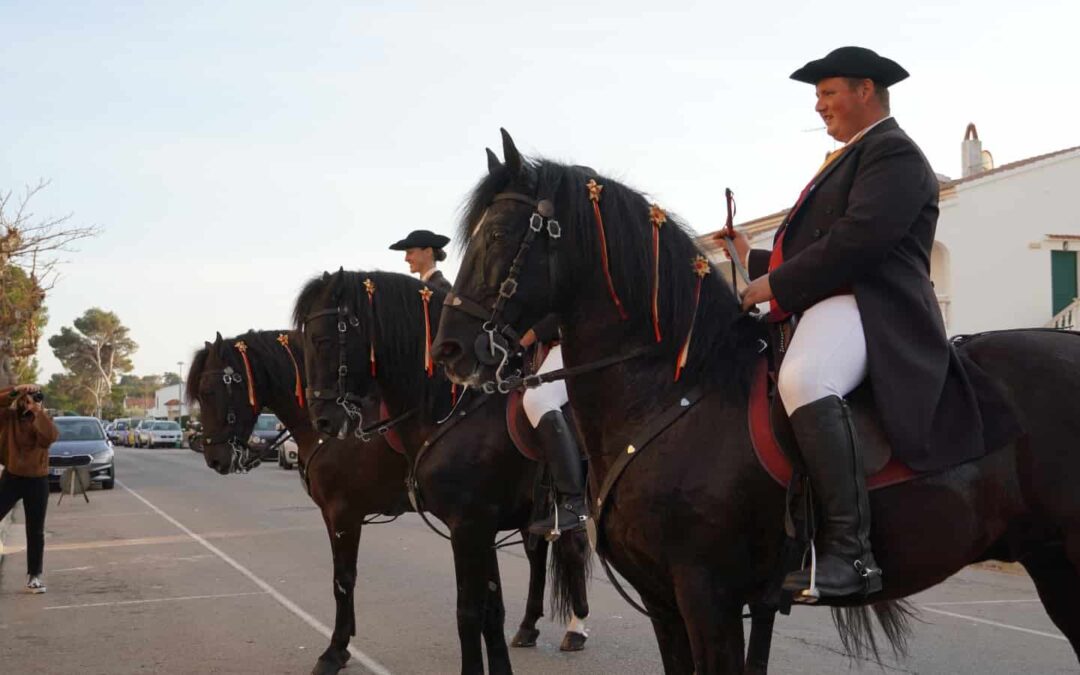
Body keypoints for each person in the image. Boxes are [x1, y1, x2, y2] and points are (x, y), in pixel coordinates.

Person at [717, 46, 1015, 602]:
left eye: (828, 93)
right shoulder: (853, 156)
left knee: (806, 380)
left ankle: (852, 553)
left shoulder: (894, 153)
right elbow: (817, 245)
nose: (819, 106)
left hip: (875, 304)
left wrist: (772, 286)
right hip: (835, 295)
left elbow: (860, 240)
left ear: (865, 92)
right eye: (818, 96)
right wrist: (749, 257)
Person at [519, 315, 588, 537]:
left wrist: (532, 335)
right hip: (560, 338)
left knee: (538, 399)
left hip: (584, 336)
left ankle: (573, 502)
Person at [0, 383, 60, 594]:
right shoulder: (9, 417)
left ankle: (35, 576)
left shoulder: (43, 419)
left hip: (37, 480)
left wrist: (37, 411)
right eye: (26, 399)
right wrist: (16, 390)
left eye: (34, 399)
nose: (28, 403)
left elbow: (50, 438)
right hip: (12, 476)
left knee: (35, 530)